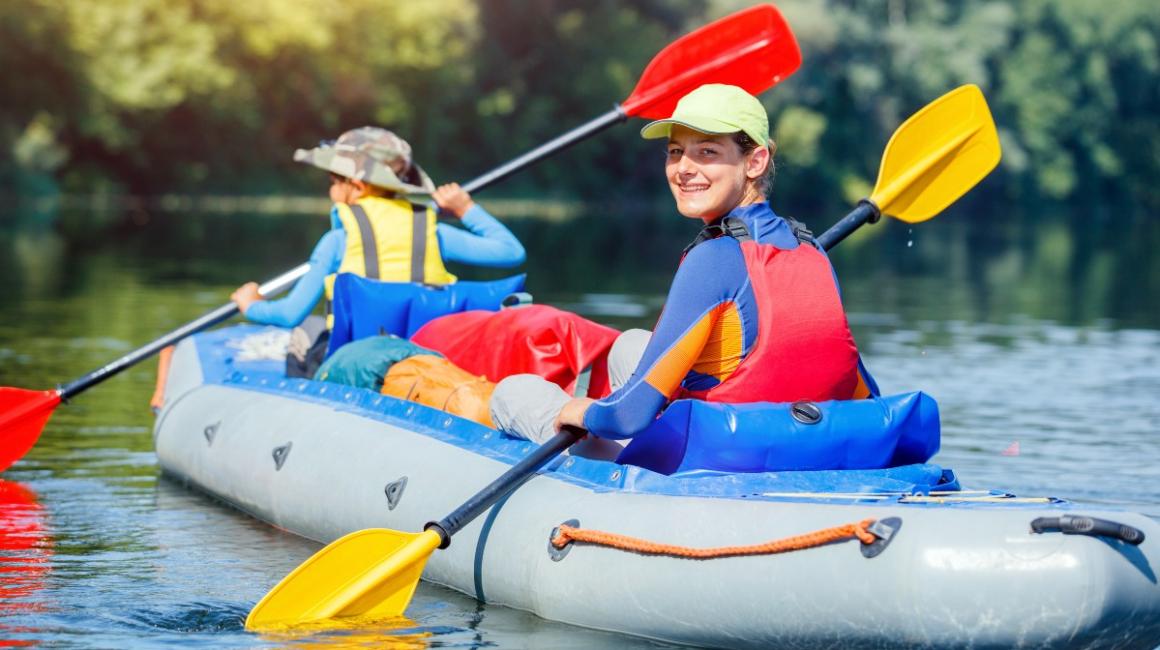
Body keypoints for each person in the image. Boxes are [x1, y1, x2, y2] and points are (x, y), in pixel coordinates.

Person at [490, 84, 876, 451]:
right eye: (675, 152)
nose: (683, 169)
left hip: (715, 465)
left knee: (514, 392)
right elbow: (858, 389)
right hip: (792, 445)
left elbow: (628, 416)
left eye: (706, 152)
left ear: (756, 161)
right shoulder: (808, 247)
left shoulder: (713, 257)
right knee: (630, 345)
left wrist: (576, 411)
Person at [228, 127, 526, 376]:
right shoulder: (432, 231)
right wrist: (465, 208)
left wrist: (252, 305)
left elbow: (290, 314)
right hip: (425, 358)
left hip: (356, 365)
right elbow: (511, 252)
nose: (331, 191)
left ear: (356, 187)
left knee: (307, 328)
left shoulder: (338, 239)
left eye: (333, 182)